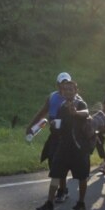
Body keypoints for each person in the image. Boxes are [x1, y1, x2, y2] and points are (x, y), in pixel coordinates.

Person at [36, 77, 91, 210]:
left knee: (82, 176)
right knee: (55, 173)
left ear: (76, 90)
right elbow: (59, 126)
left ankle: (81, 203)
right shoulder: (62, 106)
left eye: (70, 89)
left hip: (78, 147)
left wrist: (75, 113)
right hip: (64, 146)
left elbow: (86, 113)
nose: (67, 91)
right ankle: (49, 203)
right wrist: (54, 125)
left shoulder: (80, 104)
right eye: (65, 89)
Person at [26, 72, 77, 203]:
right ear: (58, 84)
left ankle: (62, 190)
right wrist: (31, 126)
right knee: (52, 161)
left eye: (67, 83)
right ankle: (60, 188)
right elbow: (43, 112)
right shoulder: (52, 97)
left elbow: (82, 116)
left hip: (68, 136)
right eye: (62, 83)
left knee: (60, 164)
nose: (64, 86)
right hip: (54, 135)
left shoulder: (76, 99)